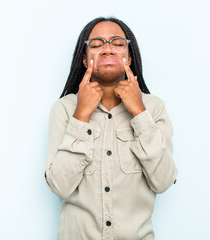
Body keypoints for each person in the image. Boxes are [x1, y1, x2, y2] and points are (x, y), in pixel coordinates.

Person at [44, 16, 178, 240]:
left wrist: (139, 112)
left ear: (130, 56)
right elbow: (59, 186)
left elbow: (163, 181)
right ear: (85, 60)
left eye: (117, 43)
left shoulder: (153, 108)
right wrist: (81, 115)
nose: (107, 49)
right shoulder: (65, 110)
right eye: (96, 44)